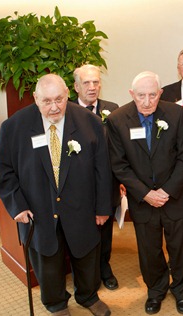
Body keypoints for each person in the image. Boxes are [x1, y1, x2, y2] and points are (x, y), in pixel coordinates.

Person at [0, 74, 113, 316]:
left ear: (68, 94)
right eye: (46, 101)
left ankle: (88, 296)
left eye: (59, 99)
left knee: (87, 255)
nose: (54, 107)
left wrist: (103, 207)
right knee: (46, 260)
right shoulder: (14, 127)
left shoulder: (90, 122)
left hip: (82, 207)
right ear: (36, 98)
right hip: (37, 209)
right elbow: (4, 172)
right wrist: (17, 206)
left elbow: (103, 169)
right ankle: (56, 303)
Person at [107, 71, 183, 315]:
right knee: (149, 250)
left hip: (175, 195)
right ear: (131, 94)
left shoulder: (176, 114)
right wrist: (146, 193)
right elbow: (119, 165)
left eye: (152, 95)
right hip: (142, 199)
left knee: (180, 247)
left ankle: (182, 292)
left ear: (161, 94)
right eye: (141, 96)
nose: (147, 102)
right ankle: (156, 291)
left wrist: (166, 191)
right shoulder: (117, 120)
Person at [72, 64, 120, 291]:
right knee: (81, 231)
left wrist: (121, 181)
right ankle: (84, 275)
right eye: (86, 83)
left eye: (96, 82)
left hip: (107, 182)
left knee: (105, 230)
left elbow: (120, 148)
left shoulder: (113, 108)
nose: (92, 87)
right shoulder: (67, 111)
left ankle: (104, 267)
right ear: (76, 86)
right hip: (78, 185)